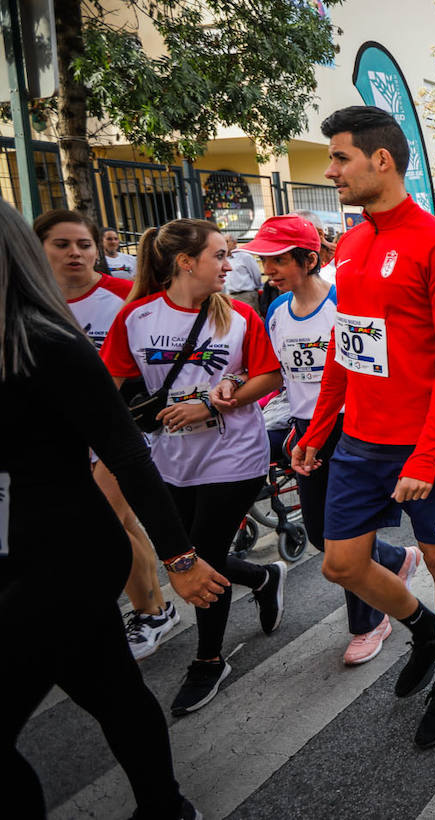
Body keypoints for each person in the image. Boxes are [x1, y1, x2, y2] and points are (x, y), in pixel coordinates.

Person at [2, 201, 223, 820]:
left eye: (84, 243)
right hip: (12, 549)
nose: (76, 254)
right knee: (113, 690)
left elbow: (128, 453)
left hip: (62, 554)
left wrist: (180, 558)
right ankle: (166, 806)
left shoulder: (48, 341)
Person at [291, 105, 435, 748]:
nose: (331, 169)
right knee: (340, 562)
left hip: (427, 443)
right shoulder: (351, 242)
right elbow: (350, 346)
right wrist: (318, 429)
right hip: (361, 438)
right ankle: (422, 630)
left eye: (340, 157)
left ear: (381, 160)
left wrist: (426, 455)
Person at [102, 218, 287, 715]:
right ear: (186, 262)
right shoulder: (136, 318)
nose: (230, 266)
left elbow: (269, 376)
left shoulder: (241, 317)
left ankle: (209, 660)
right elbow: (111, 387)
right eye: (220, 256)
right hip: (169, 461)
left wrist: (211, 406)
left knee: (200, 556)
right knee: (183, 552)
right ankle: (262, 579)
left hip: (234, 456)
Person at [240, 214, 421, 666]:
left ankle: (369, 621)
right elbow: (276, 375)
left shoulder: (346, 304)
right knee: (323, 536)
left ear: (310, 258)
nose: (269, 270)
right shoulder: (277, 312)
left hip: (352, 429)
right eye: (265, 261)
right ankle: (396, 558)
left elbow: (371, 370)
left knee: (349, 533)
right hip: (307, 430)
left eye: (278, 260)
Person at [34, 211, 181, 659]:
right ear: (38, 249)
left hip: (121, 429)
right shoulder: (27, 301)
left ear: (99, 250)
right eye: (62, 244)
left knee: (105, 520)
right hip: (52, 435)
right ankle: (154, 607)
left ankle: (148, 613)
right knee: (120, 523)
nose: (75, 253)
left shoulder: (123, 297)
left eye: (84, 244)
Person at [224, 233, 263, 312]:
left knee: (253, 320)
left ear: (234, 242)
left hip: (246, 295)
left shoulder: (245, 256)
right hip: (230, 296)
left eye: (226, 241)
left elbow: (256, 275)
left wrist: (253, 291)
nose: (224, 244)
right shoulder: (224, 259)